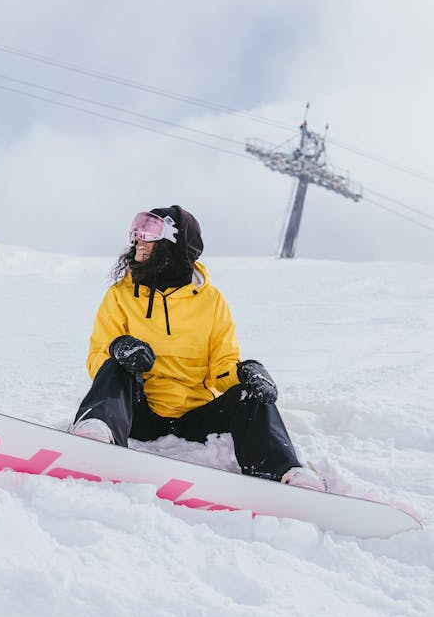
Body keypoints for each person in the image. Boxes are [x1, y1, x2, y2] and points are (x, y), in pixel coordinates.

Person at [71, 204, 325, 491]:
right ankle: (96, 434)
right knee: (116, 364)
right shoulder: (120, 295)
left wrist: (245, 373)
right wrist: (119, 350)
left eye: (149, 230)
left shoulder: (212, 302)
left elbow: (222, 366)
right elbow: (98, 358)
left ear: (175, 244)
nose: (137, 238)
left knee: (251, 394)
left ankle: (282, 470)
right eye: (137, 229)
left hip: (195, 420)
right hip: (138, 414)